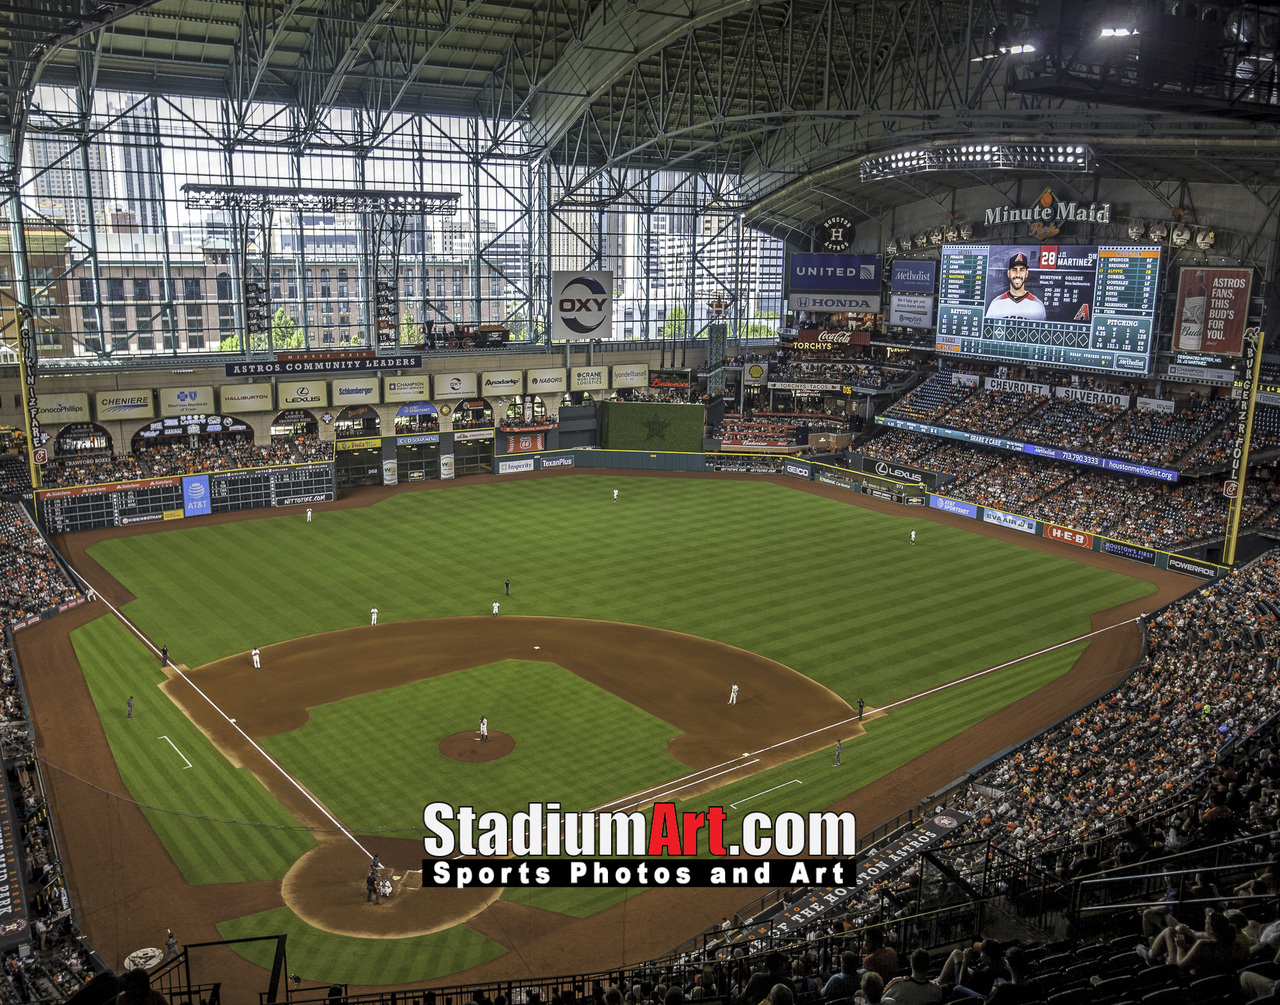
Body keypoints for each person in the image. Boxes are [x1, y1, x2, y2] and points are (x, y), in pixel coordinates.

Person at [986, 252, 1046, 321]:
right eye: (1014, 270)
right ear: (1008, 273)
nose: (1018, 274)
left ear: (1026, 274)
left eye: (1021, 270)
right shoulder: (996, 303)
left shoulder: (1037, 305)